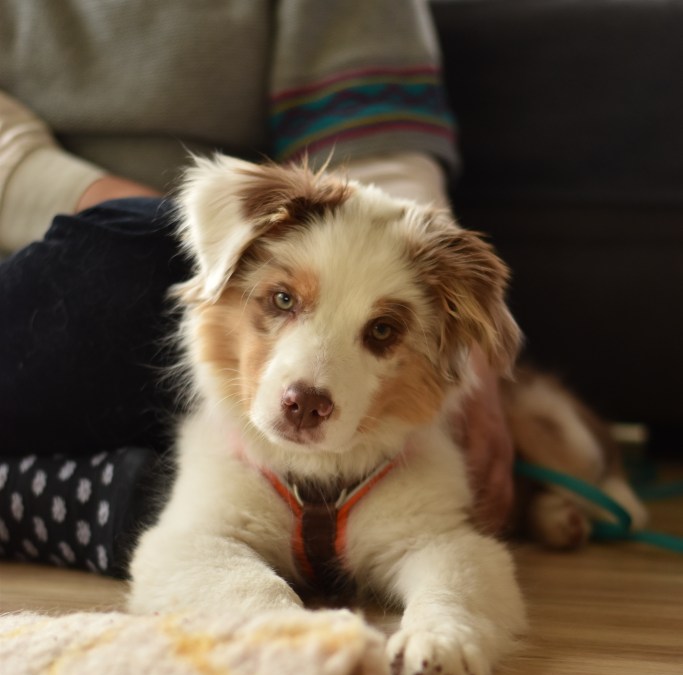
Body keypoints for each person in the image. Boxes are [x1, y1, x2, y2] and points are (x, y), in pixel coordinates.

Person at [0, 0, 513, 578]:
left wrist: (456, 343)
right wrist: (178, 228)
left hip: (248, 293)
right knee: (141, 251)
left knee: (215, 492)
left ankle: (95, 499)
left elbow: (376, 155)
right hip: (114, 256)